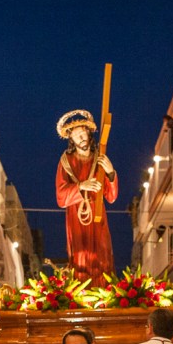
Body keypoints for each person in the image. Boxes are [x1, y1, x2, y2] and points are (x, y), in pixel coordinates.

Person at [55, 109, 118, 285]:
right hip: (76, 216)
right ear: (71, 139)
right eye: (76, 135)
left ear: (89, 134)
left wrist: (111, 173)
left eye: (83, 133)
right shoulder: (66, 162)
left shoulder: (100, 159)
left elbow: (111, 197)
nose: (81, 137)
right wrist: (81, 186)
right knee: (80, 256)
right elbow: (60, 197)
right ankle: (80, 290)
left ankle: (104, 290)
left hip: (98, 216)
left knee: (102, 255)